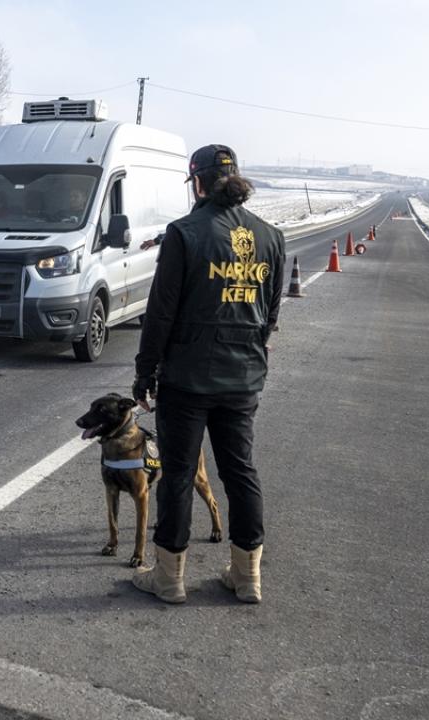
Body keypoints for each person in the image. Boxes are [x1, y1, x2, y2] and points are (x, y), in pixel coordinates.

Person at [130, 144, 284, 605]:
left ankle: (170, 578)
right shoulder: (271, 236)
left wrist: (145, 373)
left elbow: (160, 313)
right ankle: (247, 575)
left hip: (187, 378)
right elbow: (270, 311)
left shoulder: (185, 233)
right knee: (240, 470)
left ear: (197, 183)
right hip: (243, 378)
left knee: (177, 473)